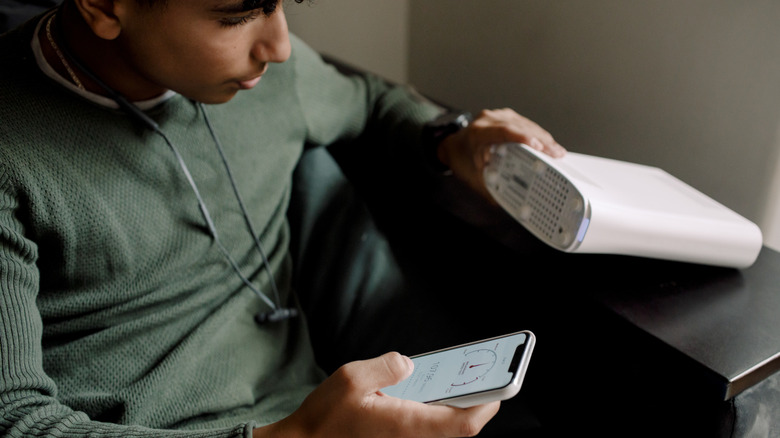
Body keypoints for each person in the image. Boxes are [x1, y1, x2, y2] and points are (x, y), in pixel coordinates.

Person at [0, 0, 564, 436]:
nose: (280, 45)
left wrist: (452, 139)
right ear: (101, 6)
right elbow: (15, 419)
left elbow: (370, 102)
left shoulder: (265, 84)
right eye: (238, 16)